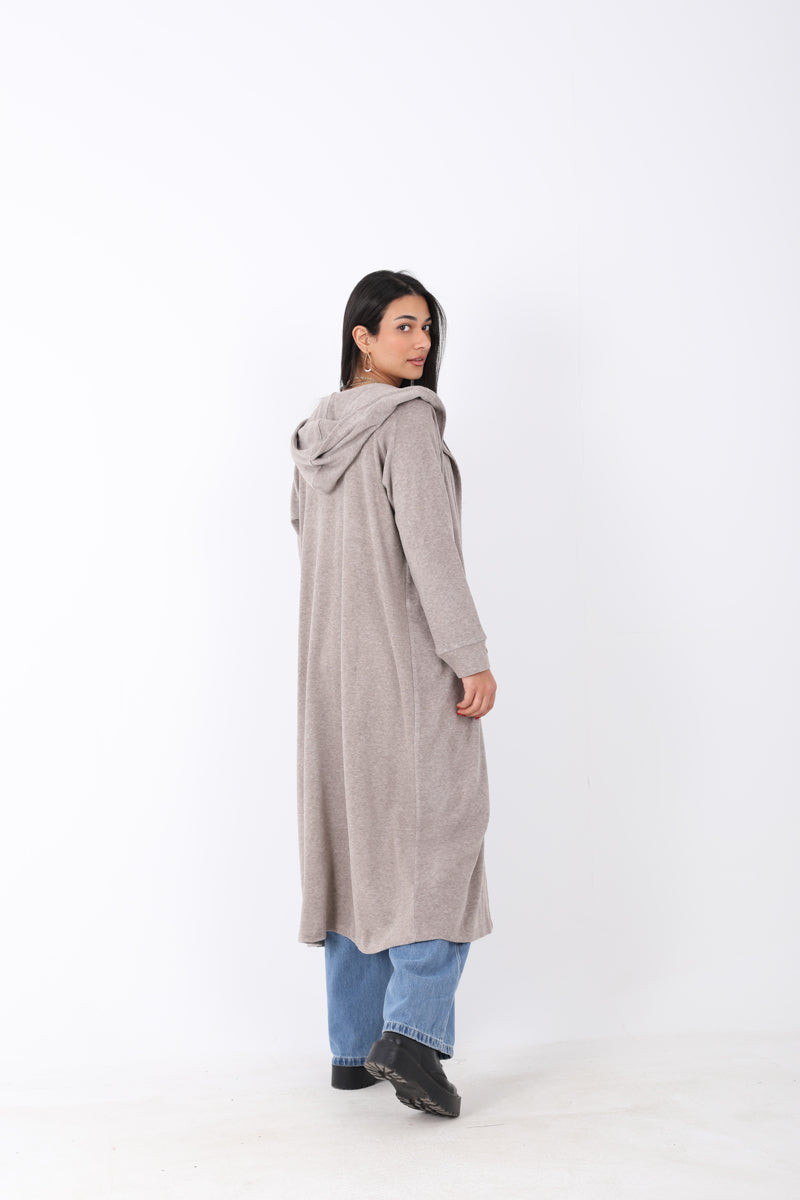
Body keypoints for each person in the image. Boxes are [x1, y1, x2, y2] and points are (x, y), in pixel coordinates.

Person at [289, 269, 496, 1118]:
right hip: (409, 671)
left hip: (333, 681)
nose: (421, 343)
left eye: (428, 328)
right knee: (441, 843)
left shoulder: (315, 435)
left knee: (358, 848)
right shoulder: (406, 423)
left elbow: (306, 540)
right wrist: (468, 657)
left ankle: (353, 1049)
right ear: (362, 337)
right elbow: (432, 554)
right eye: (404, 326)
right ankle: (409, 1035)